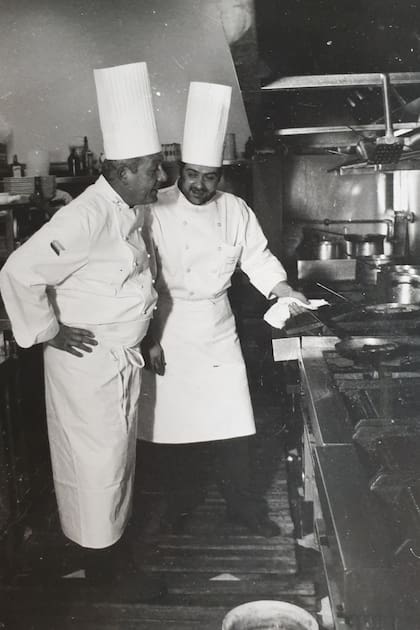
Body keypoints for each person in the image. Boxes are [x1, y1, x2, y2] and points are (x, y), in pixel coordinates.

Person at [0, 62, 167, 600]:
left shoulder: (127, 210)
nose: (160, 179)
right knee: (97, 469)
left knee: (113, 464)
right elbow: (19, 272)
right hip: (88, 365)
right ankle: (105, 574)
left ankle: (107, 561)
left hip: (118, 359)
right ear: (122, 171)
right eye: (152, 169)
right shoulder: (87, 215)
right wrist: (47, 331)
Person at [138, 81, 308, 538]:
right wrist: (148, 337)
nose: (199, 185)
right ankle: (176, 507)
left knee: (234, 422)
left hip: (215, 326)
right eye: (192, 174)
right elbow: (138, 275)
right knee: (173, 429)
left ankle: (244, 507)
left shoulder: (235, 209)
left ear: (222, 176)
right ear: (179, 171)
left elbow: (257, 258)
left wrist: (282, 289)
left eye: (209, 177)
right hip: (166, 325)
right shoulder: (153, 209)